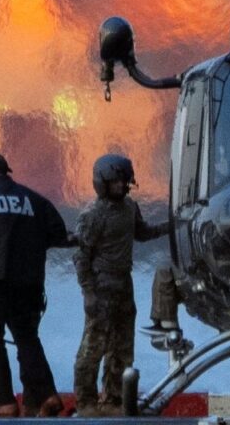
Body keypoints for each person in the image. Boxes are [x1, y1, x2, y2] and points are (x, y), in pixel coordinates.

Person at [0, 152, 72, 418]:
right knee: (27, 338)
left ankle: (6, 402)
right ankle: (49, 395)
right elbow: (57, 232)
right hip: (30, 283)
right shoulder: (33, 199)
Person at [73, 154, 168, 417]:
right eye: (117, 181)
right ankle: (86, 402)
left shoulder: (129, 207)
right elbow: (81, 256)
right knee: (93, 347)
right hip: (101, 285)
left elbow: (142, 232)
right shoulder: (92, 215)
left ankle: (114, 400)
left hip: (124, 284)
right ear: (103, 182)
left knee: (122, 348)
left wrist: (170, 225)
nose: (122, 186)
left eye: (124, 181)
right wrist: (88, 293)